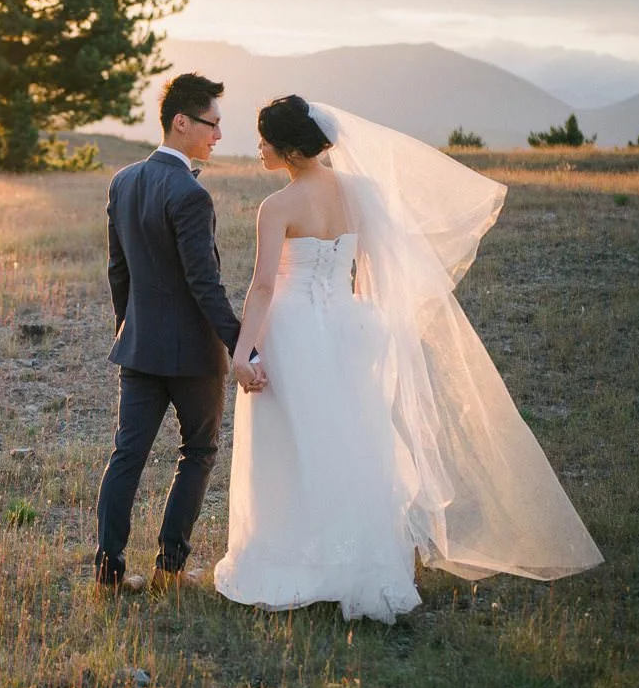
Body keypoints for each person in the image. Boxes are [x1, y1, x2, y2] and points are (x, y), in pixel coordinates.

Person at [214, 95, 602, 623]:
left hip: (291, 334)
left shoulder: (277, 207)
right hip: (349, 331)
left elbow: (262, 288)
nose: (258, 148)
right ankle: (354, 560)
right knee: (351, 442)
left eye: (264, 139)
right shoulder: (360, 193)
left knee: (292, 445)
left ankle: (292, 561)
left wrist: (243, 353)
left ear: (287, 148)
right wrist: (368, 323)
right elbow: (379, 265)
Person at [95, 73, 266, 595]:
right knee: (198, 452)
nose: (217, 136)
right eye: (212, 125)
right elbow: (205, 285)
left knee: (128, 454)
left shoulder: (123, 181)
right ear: (182, 122)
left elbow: (118, 272)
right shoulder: (190, 193)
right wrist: (244, 345)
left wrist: (130, 326)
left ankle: (109, 572)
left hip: (139, 347)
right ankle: (170, 568)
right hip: (193, 356)